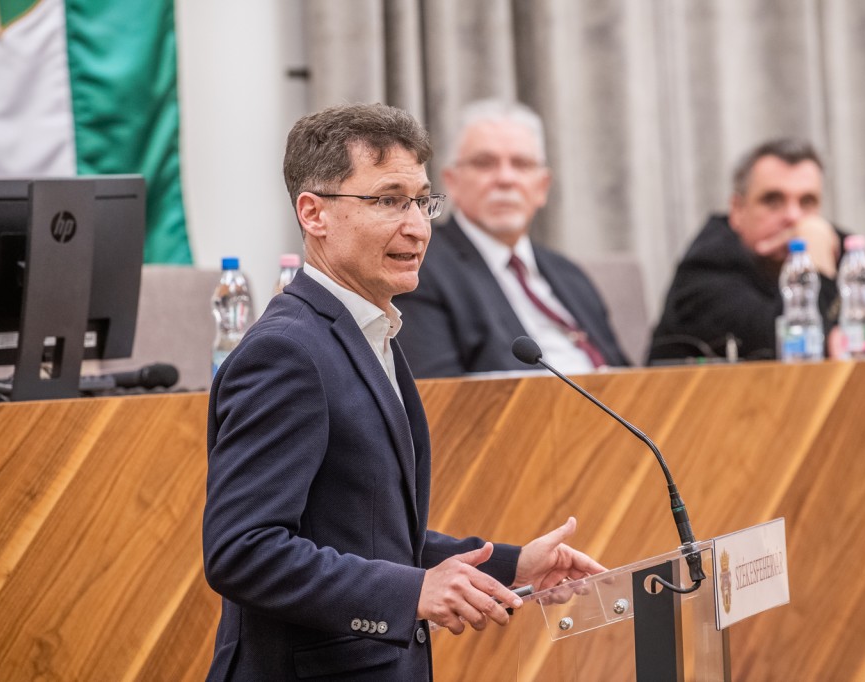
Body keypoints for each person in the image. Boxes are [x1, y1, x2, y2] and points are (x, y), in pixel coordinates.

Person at [202, 103, 605, 681]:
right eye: (388, 201)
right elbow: (242, 551)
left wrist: (514, 564)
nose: (416, 226)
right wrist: (411, 592)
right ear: (314, 213)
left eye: (421, 201)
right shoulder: (287, 351)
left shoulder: (370, 332)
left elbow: (370, 533)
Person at [647, 137, 865, 362]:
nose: (793, 217)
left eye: (807, 202)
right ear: (737, 210)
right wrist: (815, 265)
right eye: (773, 201)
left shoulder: (829, 242)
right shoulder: (706, 267)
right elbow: (791, 352)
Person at [393, 99, 629, 378]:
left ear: (542, 186)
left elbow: (629, 375)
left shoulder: (571, 275)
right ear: (452, 182)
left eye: (521, 164)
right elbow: (439, 393)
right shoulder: (420, 266)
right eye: (484, 163)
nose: (505, 179)